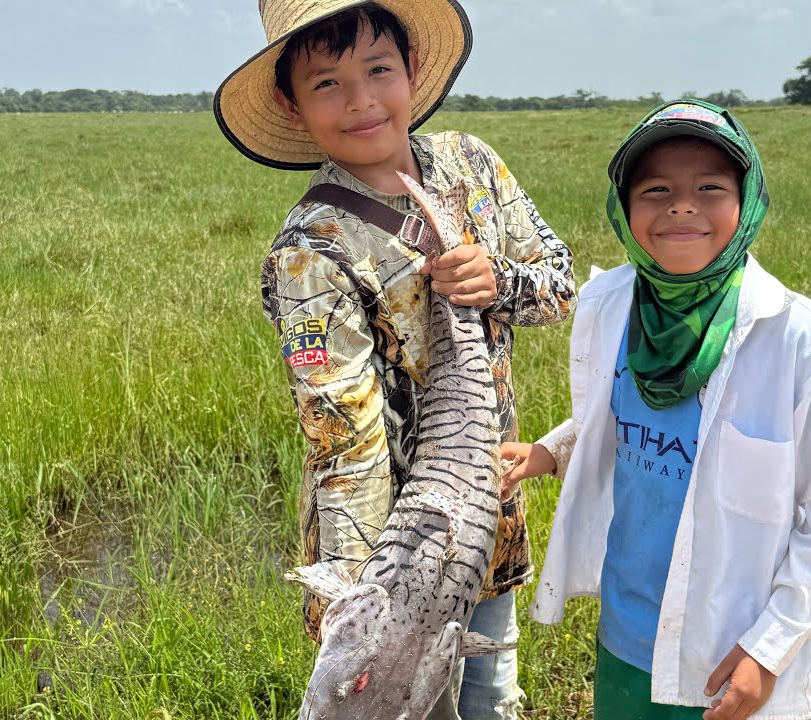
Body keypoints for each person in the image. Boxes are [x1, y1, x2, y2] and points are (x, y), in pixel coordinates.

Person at [212, 2, 576, 718]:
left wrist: (500, 280)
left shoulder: (474, 164)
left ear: (411, 69)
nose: (361, 101)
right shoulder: (310, 252)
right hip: (392, 561)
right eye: (327, 84)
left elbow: (560, 288)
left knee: (493, 699)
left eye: (379, 70)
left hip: (491, 527)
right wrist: (360, 603)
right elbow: (342, 442)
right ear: (291, 101)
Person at [500, 99, 811, 720]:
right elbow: (619, 418)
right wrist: (552, 450)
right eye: (656, 189)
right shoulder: (610, 304)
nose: (682, 206)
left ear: (748, 201)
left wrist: (770, 649)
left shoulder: (794, 337)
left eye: (710, 187)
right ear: (624, 207)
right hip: (626, 633)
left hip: (731, 652)